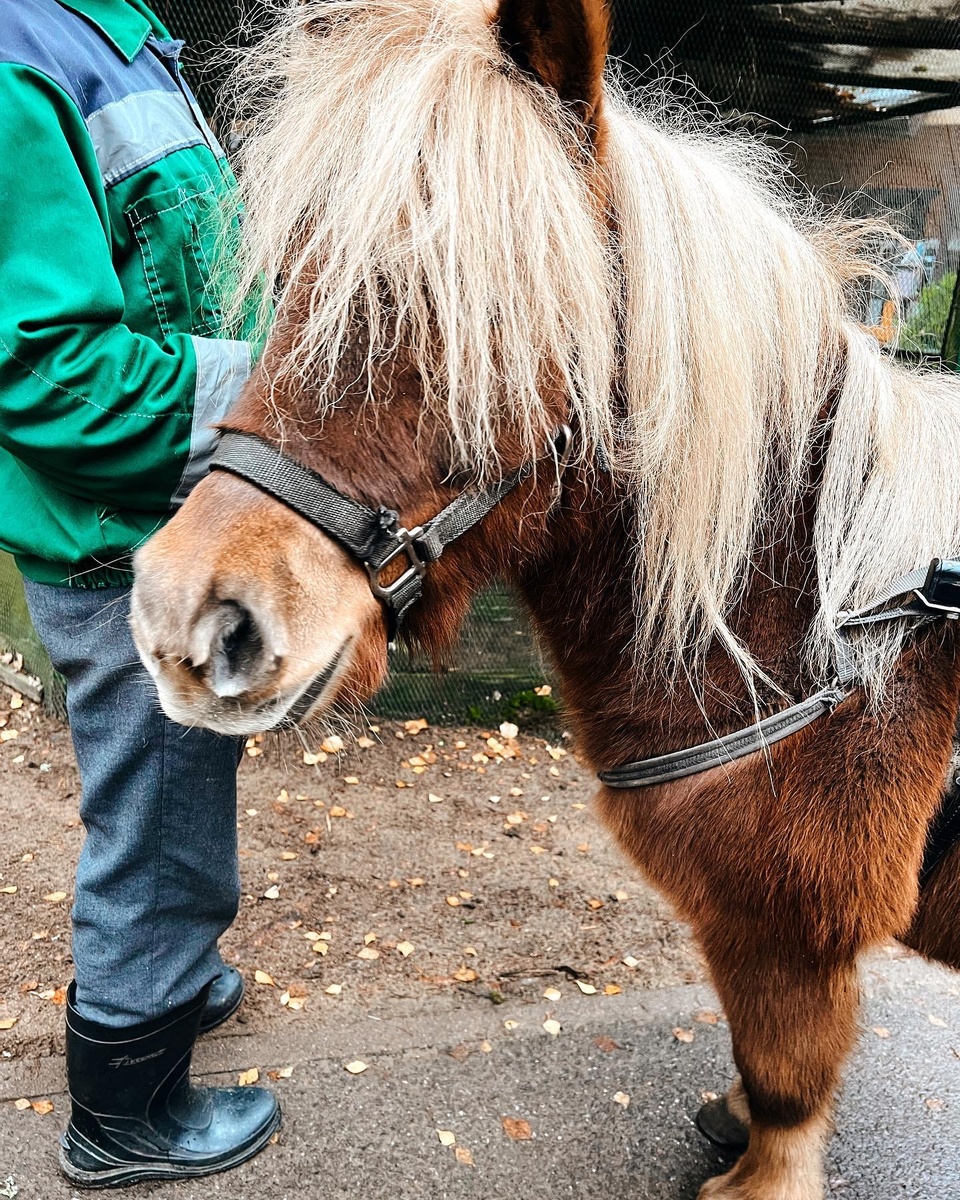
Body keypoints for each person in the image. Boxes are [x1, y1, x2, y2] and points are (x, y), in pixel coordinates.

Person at [0, 0, 279, 1186]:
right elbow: (54, 378)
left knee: (174, 788)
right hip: (124, 542)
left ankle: (168, 976)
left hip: (174, 515)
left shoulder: (118, 29)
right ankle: (122, 1111)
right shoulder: (19, 55)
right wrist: (282, 400)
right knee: (159, 825)